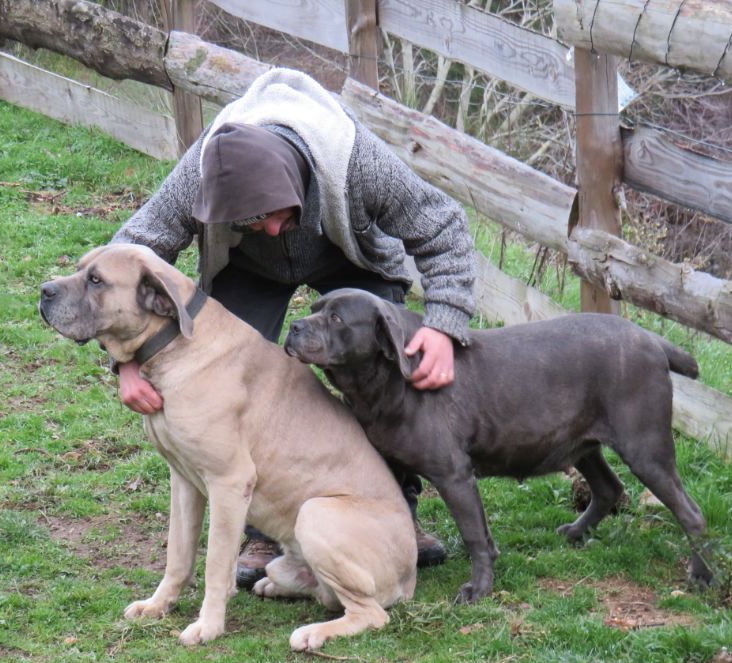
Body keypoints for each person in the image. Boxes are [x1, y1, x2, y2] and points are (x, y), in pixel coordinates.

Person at [111, 68, 477, 588]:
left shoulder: (355, 160)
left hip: (351, 260)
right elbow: (132, 252)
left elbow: (442, 224)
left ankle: (393, 510)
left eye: (279, 213)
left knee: (383, 366)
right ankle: (268, 529)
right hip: (247, 271)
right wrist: (124, 363)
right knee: (230, 380)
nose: (273, 229)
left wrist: (443, 325)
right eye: (251, 220)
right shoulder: (201, 173)